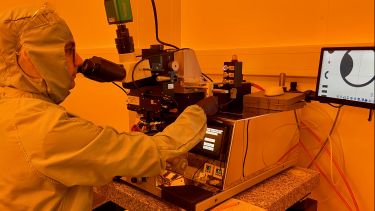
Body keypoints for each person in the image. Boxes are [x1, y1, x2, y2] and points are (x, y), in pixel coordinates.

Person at [0, 5, 218, 210]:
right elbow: (155, 151)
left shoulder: (10, 107)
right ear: (30, 58)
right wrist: (198, 112)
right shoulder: (47, 128)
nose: (79, 60)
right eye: (68, 51)